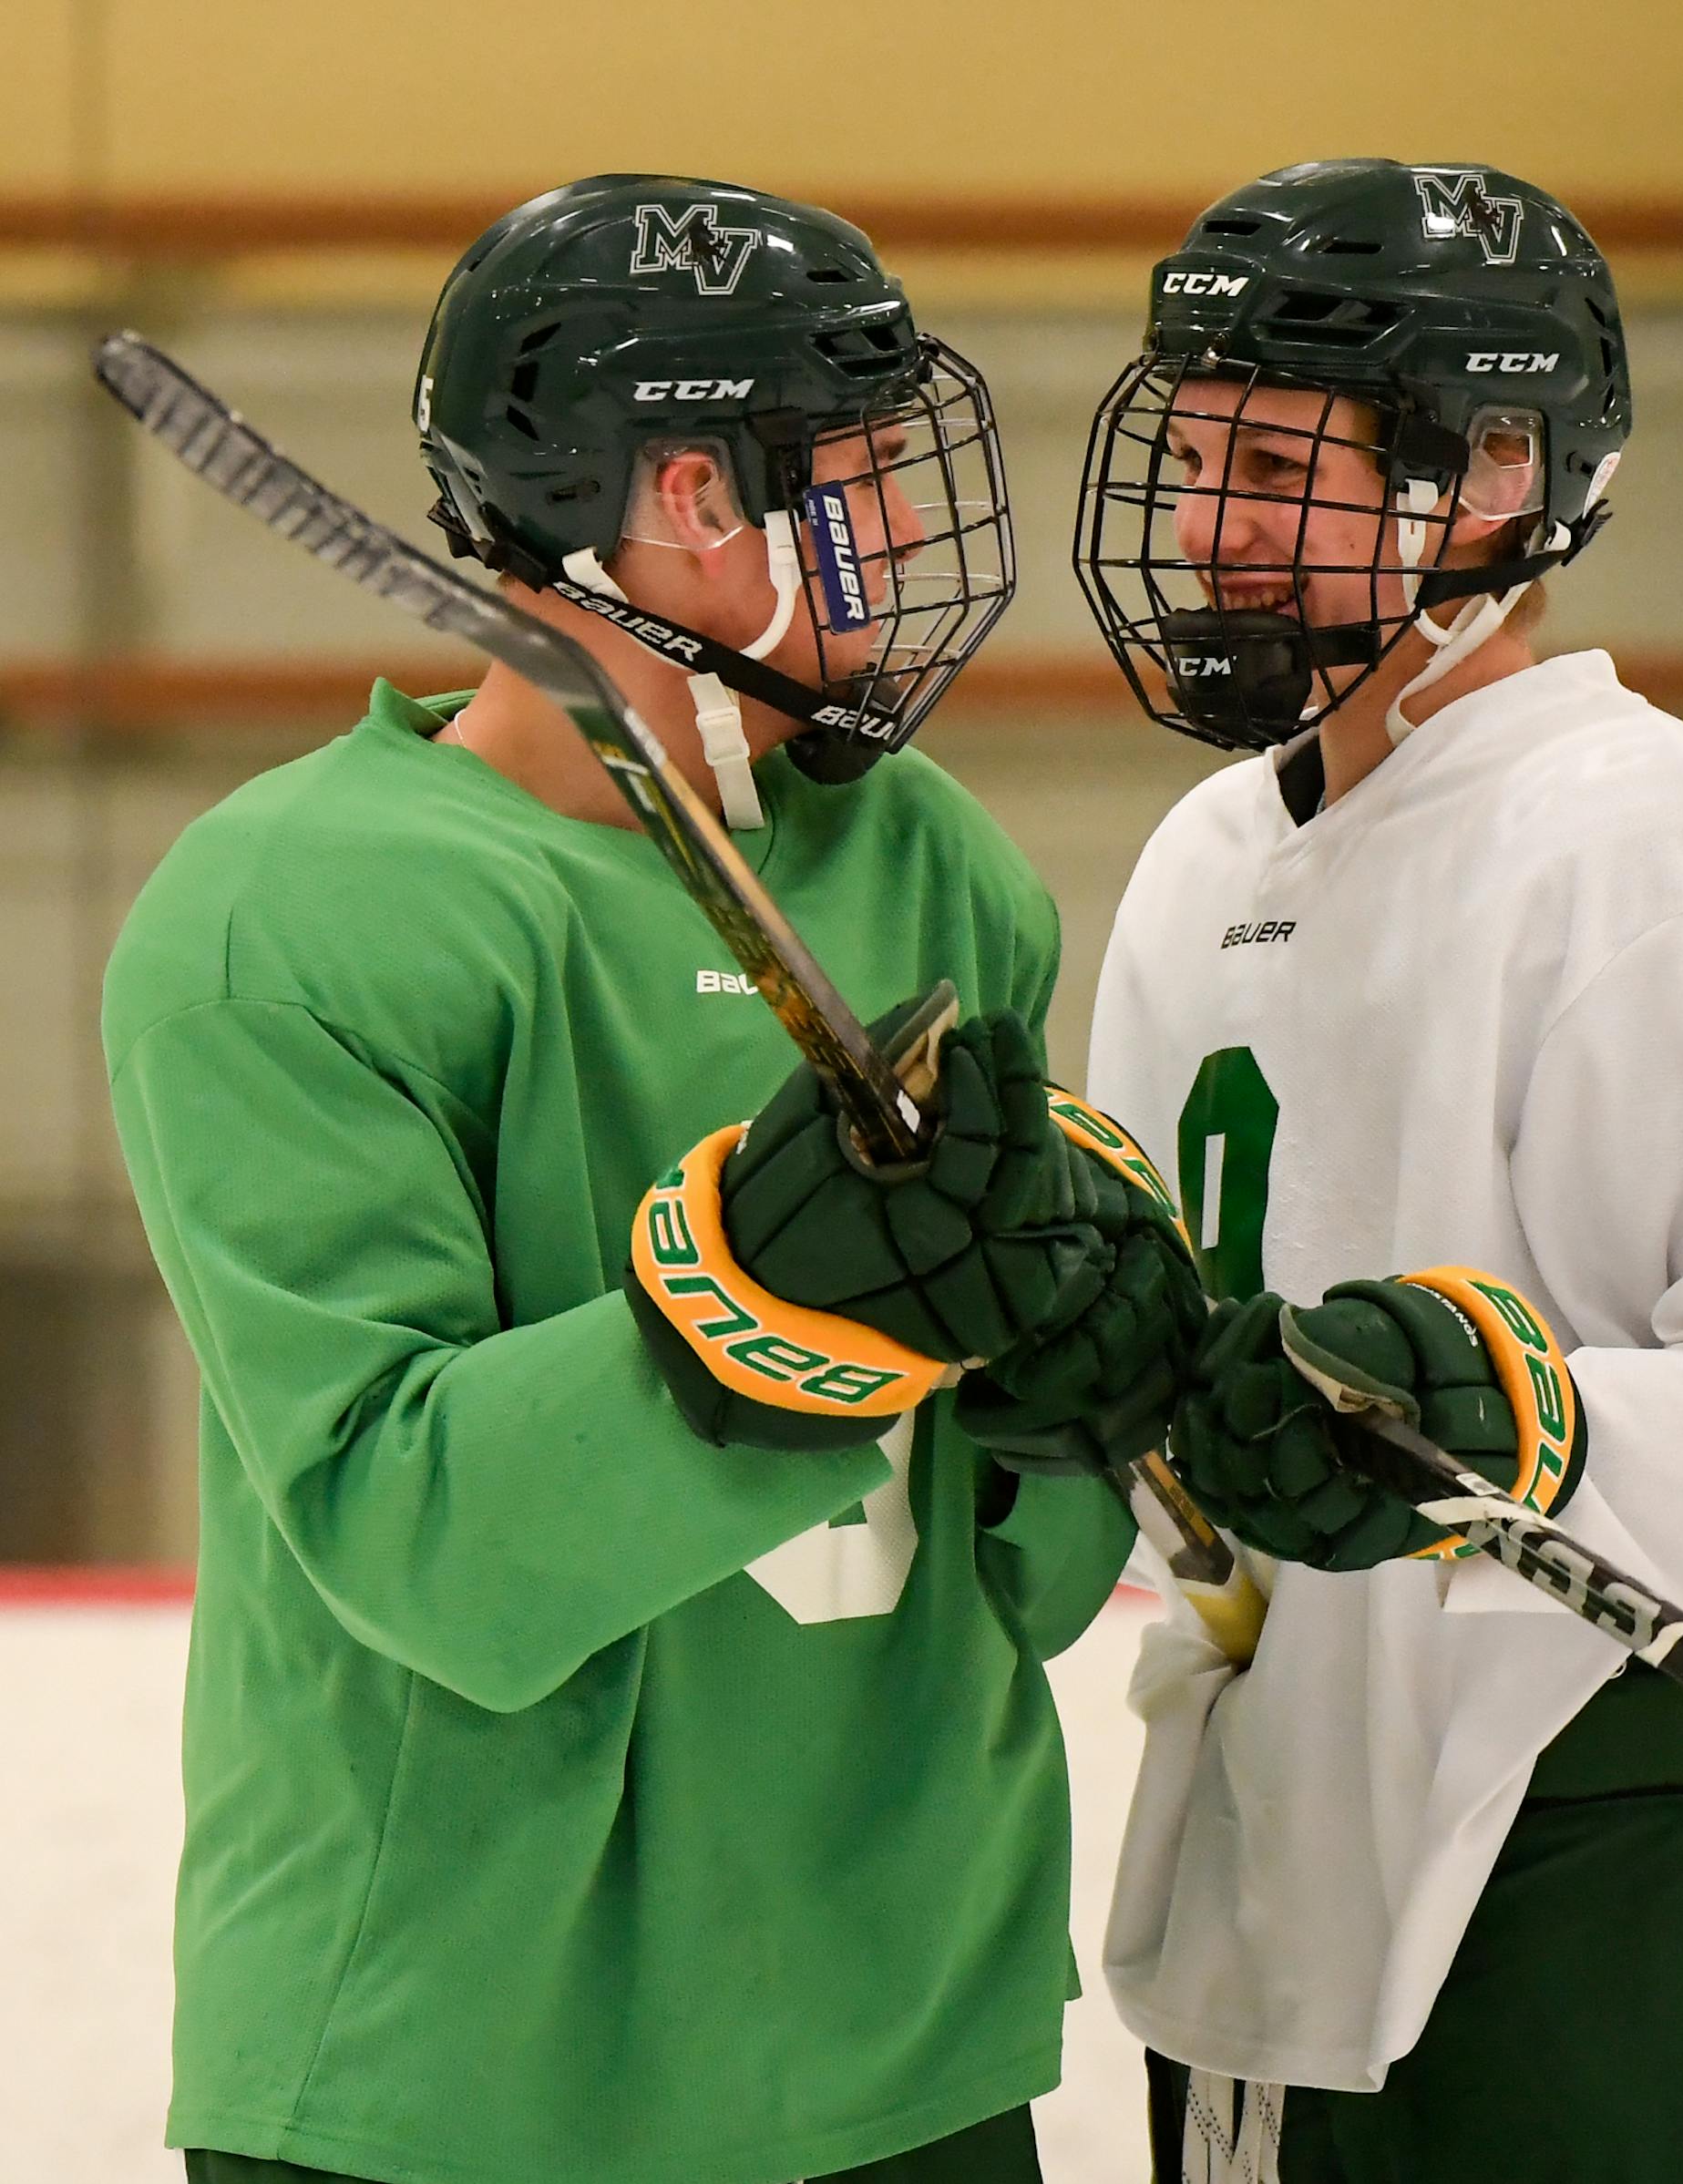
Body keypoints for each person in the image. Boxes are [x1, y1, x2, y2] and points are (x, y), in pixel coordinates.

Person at [103, 174, 1194, 2184]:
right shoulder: (282, 917)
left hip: (909, 2046)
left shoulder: (928, 865)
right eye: (858, 474)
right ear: (689, 496)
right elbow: (411, 1526)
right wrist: (777, 1309)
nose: (917, 529)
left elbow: (1004, 1582)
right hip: (458, 2076)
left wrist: (1080, 1381)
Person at [1056, 159, 1683, 2179]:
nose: (1205, 523)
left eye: (1272, 459)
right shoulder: (1204, 861)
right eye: (1191, 453)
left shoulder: (1647, 843)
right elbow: (1176, 1484)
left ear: (1493, 473)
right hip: (1272, 1883)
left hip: (1623, 1873)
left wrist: (1502, 1411)